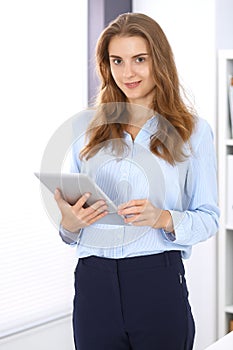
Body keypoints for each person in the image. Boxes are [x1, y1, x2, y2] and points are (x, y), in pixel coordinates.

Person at [54, 12, 219, 350]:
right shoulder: (83, 130)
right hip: (93, 283)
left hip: (157, 281)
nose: (127, 73)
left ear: (159, 61)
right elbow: (72, 224)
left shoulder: (194, 132)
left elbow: (209, 217)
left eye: (139, 59)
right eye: (117, 60)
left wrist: (163, 218)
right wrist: (69, 225)